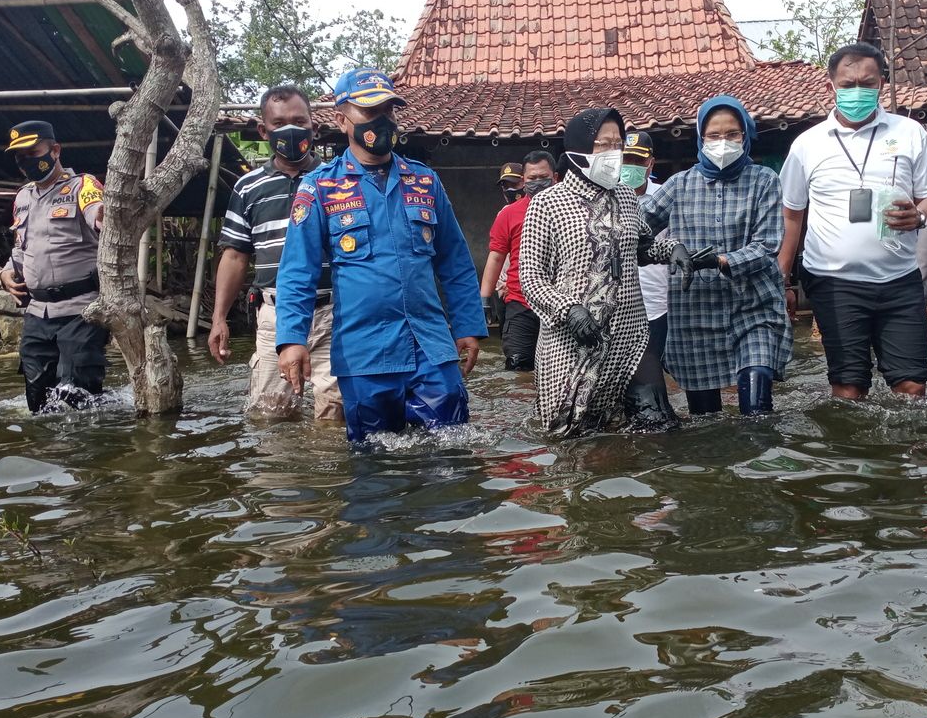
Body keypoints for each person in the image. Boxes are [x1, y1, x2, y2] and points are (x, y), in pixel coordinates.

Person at [274, 68, 486, 443]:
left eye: (389, 111)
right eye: (371, 113)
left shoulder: (424, 181)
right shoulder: (320, 187)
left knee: (452, 458)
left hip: (431, 348)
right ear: (342, 120)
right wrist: (292, 339)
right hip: (365, 354)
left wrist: (468, 326)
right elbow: (297, 272)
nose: (383, 121)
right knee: (376, 469)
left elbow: (455, 262)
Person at [779, 42, 927, 400]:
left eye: (867, 83)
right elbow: (792, 215)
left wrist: (919, 217)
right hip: (834, 282)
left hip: (899, 280)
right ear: (830, 87)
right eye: (848, 84)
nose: (858, 92)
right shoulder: (807, 145)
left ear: (882, 84)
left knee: (912, 385)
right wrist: (783, 278)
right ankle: (850, 454)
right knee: (848, 387)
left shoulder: (909, 132)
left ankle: (905, 455)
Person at [518, 107, 696, 436]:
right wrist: (568, 309)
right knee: (573, 441)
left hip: (630, 336)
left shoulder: (626, 197)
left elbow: (641, 248)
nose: (614, 153)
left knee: (658, 428)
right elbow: (531, 278)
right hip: (572, 343)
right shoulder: (547, 204)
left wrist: (673, 250)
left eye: (618, 144)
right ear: (578, 148)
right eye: (604, 144)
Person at [641, 95, 792, 415]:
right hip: (695, 310)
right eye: (714, 135)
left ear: (745, 136)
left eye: (732, 134)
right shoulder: (679, 185)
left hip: (753, 306)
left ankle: (760, 461)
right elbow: (637, 226)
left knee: (757, 406)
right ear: (701, 138)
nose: (723, 142)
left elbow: (767, 245)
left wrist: (720, 260)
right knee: (705, 417)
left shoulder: (764, 180)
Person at [208, 85, 342, 420]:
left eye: (299, 120)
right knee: (270, 416)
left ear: (314, 126)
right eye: (280, 123)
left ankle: (335, 474)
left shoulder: (338, 180)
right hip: (275, 315)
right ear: (263, 130)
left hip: (335, 313)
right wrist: (219, 317)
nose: (291, 129)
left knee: (335, 417)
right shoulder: (248, 187)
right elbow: (236, 255)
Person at [0, 121, 109, 413]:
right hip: (37, 314)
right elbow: (22, 248)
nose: (26, 162)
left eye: (32, 153)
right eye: (19, 157)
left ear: (55, 150)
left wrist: (107, 213)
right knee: (36, 401)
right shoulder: (22, 197)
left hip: (81, 311)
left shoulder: (83, 186)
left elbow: (99, 215)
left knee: (75, 398)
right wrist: (5, 272)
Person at [479, 151, 557, 370]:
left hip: (559, 305)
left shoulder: (571, 212)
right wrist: (484, 299)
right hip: (520, 303)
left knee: (557, 370)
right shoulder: (508, 214)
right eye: (532, 178)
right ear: (524, 180)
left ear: (556, 177)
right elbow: (495, 257)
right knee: (517, 368)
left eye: (543, 177)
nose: (537, 183)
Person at [621, 131, 671, 368]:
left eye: (638, 161)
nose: (631, 166)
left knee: (657, 374)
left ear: (651, 163)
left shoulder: (665, 198)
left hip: (657, 304)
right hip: (618, 306)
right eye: (626, 160)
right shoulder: (606, 198)